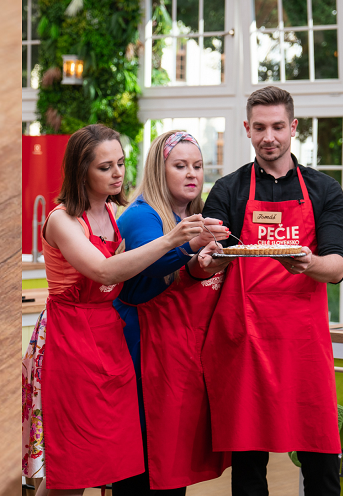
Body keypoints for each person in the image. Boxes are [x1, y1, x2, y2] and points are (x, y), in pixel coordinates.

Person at [22, 124, 209, 496]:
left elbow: (129, 278)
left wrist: (193, 254)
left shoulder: (112, 213)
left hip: (110, 340)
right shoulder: (61, 220)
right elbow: (103, 270)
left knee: (112, 461)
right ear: (81, 171)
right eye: (105, 167)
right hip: (70, 341)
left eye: (121, 163)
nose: (118, 173)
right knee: (71, 471)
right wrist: (173, 240)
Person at [200, 86, 343, 496]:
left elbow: (336, 267)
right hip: (245, 340)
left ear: (293, 128)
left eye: (278, 127)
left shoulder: (323, 190)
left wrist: (310, 263)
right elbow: (209, 259)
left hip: (302, 341)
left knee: (321, 458)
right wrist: (209, 255)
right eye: (260, 127)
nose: (270, 137)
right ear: (247, 129)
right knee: (249, 464)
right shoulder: (228, 190)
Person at [112, 131, 231, 495]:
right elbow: (154, 264)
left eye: (197, 166)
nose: (192, 174)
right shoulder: (141, 217)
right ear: (158, 171)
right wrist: (192, 246)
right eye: (180, 166)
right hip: (142, 355)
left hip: (177, 358)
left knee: (170, 470)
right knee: (141, 466)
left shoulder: (192, 217)